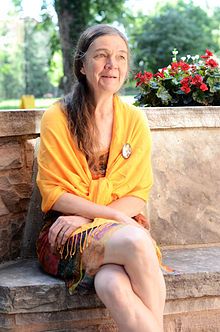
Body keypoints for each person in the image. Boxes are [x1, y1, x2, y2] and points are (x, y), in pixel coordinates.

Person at [36, 24, 166, 332]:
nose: (113, 65)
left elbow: (137, 194)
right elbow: (55, 194)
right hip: (64, 235)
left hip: (107, 226)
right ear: (82, 65)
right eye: (102, 56)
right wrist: (92, 218)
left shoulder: (134, 120)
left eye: (121, 57)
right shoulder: (58, 117)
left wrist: (87, 216)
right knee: (137, 240)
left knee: (111, 284)